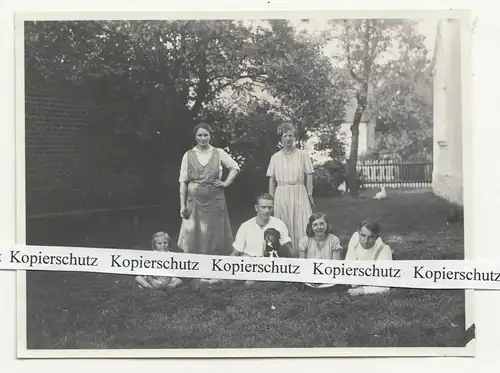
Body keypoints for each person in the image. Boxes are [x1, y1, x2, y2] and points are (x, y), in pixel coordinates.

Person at [178, 122, 240, 256]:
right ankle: (194, 266)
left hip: (215, 200)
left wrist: (225, 183)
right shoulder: (188, 155)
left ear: (210, 136)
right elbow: (183, 181)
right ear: (195, 137)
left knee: (214, 233)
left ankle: (214, 267)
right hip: (194, 200)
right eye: (199, 135)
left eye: (206, 135)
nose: (203, 138)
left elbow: (235, 167)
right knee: (193, 232)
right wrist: (182, 206)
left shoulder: (219, 153)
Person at [266, 122, 315, 257]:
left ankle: (304, 256)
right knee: (283, 224)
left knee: (303, 223)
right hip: (281, 193)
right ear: (281, 139)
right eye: (285, 136)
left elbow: (309, 174)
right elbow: (272, 179)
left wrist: (310, 194)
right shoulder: (275, 157)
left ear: (295, 138)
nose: (288, 139)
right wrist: (271, 200)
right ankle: (286, 257)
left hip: (299, 192)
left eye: (291, 136)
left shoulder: (303, 155)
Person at [231, 193, 292, 285]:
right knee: (231, 280)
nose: (267, 211)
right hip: (249, 264)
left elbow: (288, 250)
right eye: (263, 207)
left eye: (269, 207)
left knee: (250, 283)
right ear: (256, 208)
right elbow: (236, 251)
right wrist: (224, 269)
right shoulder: (246, 226)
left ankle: (256, 280)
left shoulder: (279, 224)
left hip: (270, 265)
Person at [344, 220, 393, 295]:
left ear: (377, 237)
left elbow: (385, 286)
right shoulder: (355, 237)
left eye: (370, 237)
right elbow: (348, 263)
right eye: (363, 235)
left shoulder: (384, 250)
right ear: (358, 233)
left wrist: (363, 290)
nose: (366, 241)